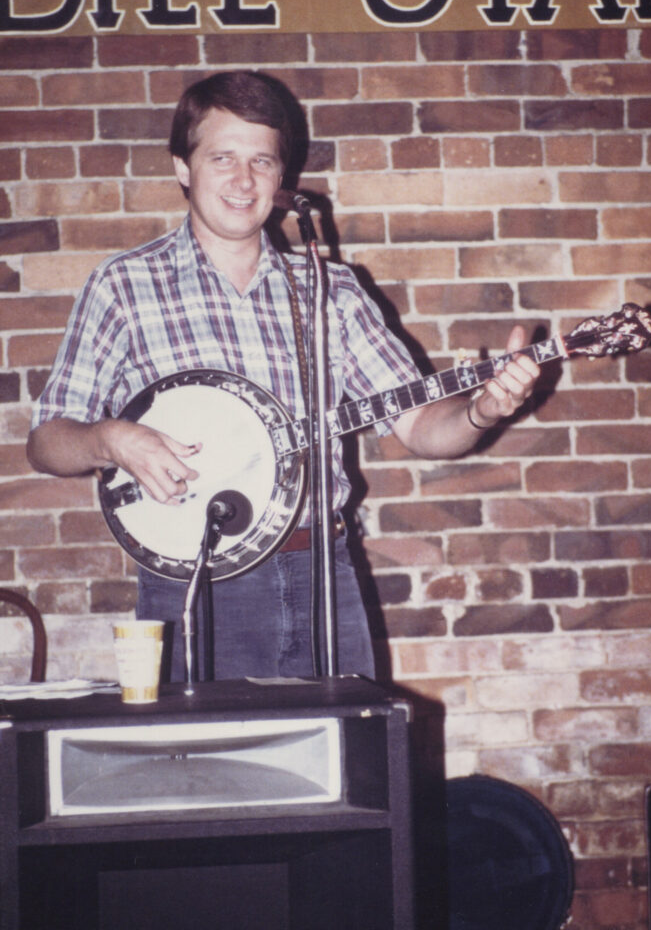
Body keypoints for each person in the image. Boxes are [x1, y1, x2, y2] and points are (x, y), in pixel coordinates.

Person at [27, 70, 540, 682]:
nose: (243, 181)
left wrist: (483, 409)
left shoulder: (333, 290)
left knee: (352, 767)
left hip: (323, 569)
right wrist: (109, 439)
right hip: (195, 582)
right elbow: (46, 441)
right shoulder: (124, 286)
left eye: (262, 162)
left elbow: (423, 426)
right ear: (183, 168)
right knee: (211, 773)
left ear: (281, 178)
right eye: (222, 157)